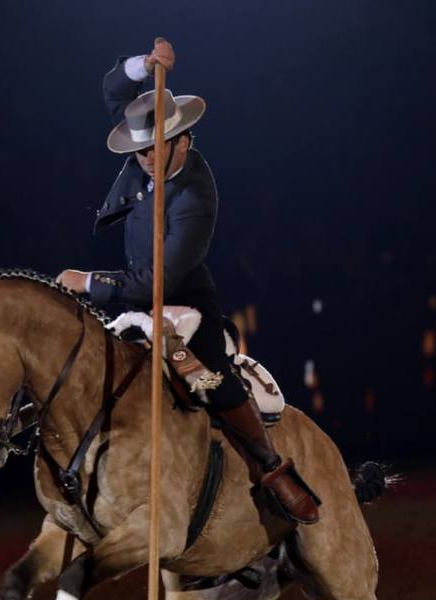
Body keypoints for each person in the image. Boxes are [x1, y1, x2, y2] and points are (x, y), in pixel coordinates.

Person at [56, 38, 319, 524]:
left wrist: (88, 280)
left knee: (213, 379)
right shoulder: (146, 147)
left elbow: (157, 281)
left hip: (183, 302)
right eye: (141, 152)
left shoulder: (196, 196)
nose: (148, 159)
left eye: (157, 149)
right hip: (134, 299)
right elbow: (114, 90)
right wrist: (144, 64)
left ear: (183, 140)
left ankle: (272, 467)